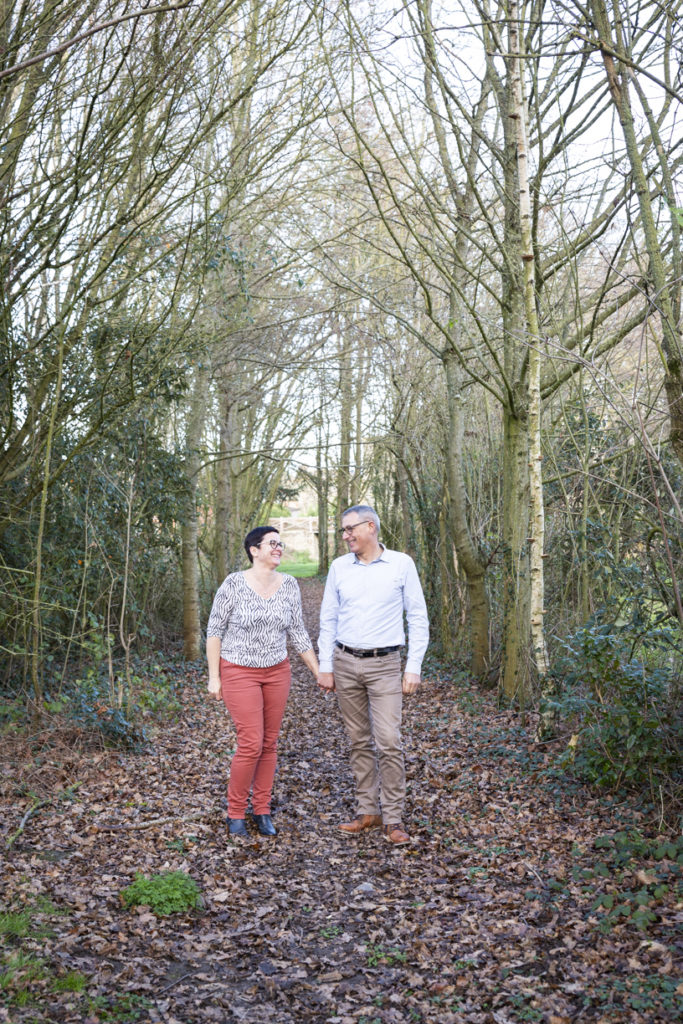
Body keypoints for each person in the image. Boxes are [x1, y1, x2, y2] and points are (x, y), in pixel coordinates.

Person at [317, 505, 429, 845]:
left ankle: (393, 818)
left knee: (389, 742)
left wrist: (413, 667)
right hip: (345, 662)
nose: (346, 535)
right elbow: (328, 619)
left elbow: (418, 617)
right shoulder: (339, 567)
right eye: (343, 531)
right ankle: (368, 810)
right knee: (358, 742)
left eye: (350, 529)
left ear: (371, 527)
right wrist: (326, 665)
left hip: (385, 665)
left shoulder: (401, 564)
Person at [207, 526, 319, 838]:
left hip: (276, 671)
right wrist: (214, 677)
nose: (278, 547)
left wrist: (318, 671)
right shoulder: (233, 584)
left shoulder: (289, 585)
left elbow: (297, 631)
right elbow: (214, 630)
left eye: (280, 543)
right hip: (238, 670)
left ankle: (262, 809)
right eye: (272, 543)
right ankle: (235, 812)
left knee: (269, 743)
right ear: (254, 550)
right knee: (251, 743)